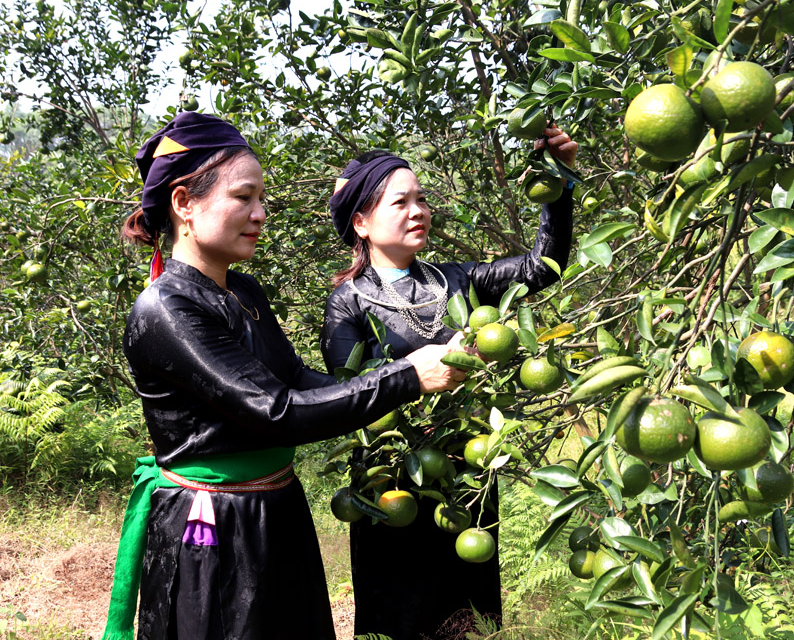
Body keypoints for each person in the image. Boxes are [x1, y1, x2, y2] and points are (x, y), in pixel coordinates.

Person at [102, 112, 466, 640]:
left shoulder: (243, 291)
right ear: (184, 204)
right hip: (214, 525)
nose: (260, 214)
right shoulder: (168, 309)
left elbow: (296, 378)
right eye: (243, 198)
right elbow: (277, 411)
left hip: (277, 507)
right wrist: (407, 378)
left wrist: (407, 388)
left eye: (262, 199)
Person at [320, 124, 577, 639]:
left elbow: (541, 267)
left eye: (421, 199)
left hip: (468, 472)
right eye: (400, 202)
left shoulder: (457, 281)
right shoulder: (347, 301)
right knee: (401, 615)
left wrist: (560, 181)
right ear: (362, 223)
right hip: (392, 483)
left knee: (469, 616)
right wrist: (417, 374)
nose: (418, 210)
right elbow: (350, 393)